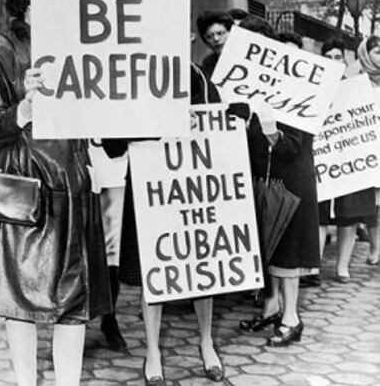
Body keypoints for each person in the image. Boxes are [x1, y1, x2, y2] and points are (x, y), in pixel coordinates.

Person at [0, 0, 111, 386]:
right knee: (16, 296)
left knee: (73, 297)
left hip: (72, 178)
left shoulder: (83, 45)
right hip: (22, 185)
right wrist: (24, 107)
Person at [103, 64, 225, 385]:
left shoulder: (196, 76)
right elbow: (112, 146)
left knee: (200, 265)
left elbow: (221, 125)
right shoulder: (133, 79)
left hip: (192, 187)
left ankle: (206, 341)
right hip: (149, 186)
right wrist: (154, 124)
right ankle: (153, 351)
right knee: (152, 270)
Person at [239, 32, 320, 346]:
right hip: (265, 182)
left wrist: (270, 129)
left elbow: (289, 150)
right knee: (269, 248)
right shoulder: (261, 94)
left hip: (292, 186)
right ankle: (273, 308)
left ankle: (292, 318)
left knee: (288, 253)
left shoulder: (304, 99)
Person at [318, 39, 377, 283]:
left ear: (345, 60)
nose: (334, 61)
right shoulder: (316, 87)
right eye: (328, 57)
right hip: (324, 160)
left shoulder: (356, 86)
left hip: (353, 160)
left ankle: (343, 266)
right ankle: (314, 264)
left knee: (349, 215)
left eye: (338, 57)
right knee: (320, 215)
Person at [88, 141, 128, 351]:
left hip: (114, 167)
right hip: (75, 163)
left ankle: (109, 318)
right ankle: (69, 323)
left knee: (113, 249)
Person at [357, 34, 380, 266]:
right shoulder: (357, 79)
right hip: (366, 147)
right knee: (373, 204)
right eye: (376, 52)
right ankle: (375, 245)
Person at [197, 11, 234, 78]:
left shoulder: (248, 54)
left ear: (231, 33)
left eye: (220, 33)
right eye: (209, 37)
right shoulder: (208, 63)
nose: (216, 39)